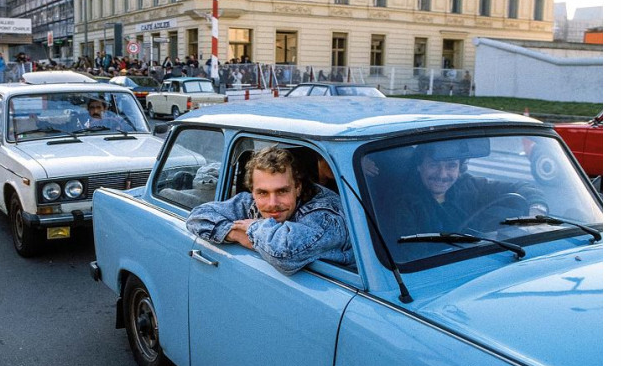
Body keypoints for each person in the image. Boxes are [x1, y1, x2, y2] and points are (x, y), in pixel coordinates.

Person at [186, 147, 354, 275]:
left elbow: (285, 253)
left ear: (297, 187)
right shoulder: (250, 201)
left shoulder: (326, 215)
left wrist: (253, 229)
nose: (272, 203)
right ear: (253, 192)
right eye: (263, 193)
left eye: (282, 191)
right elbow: (197, 217)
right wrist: (237, 234)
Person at [391, 141, 548, 237]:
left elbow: (520, 187)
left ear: (460, 169)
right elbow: (415, 256)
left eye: (451, 166)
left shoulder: (469, 185)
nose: (442, 174)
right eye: (433, 165)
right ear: (419, 166)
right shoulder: (404, 202)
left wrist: (537, 211)